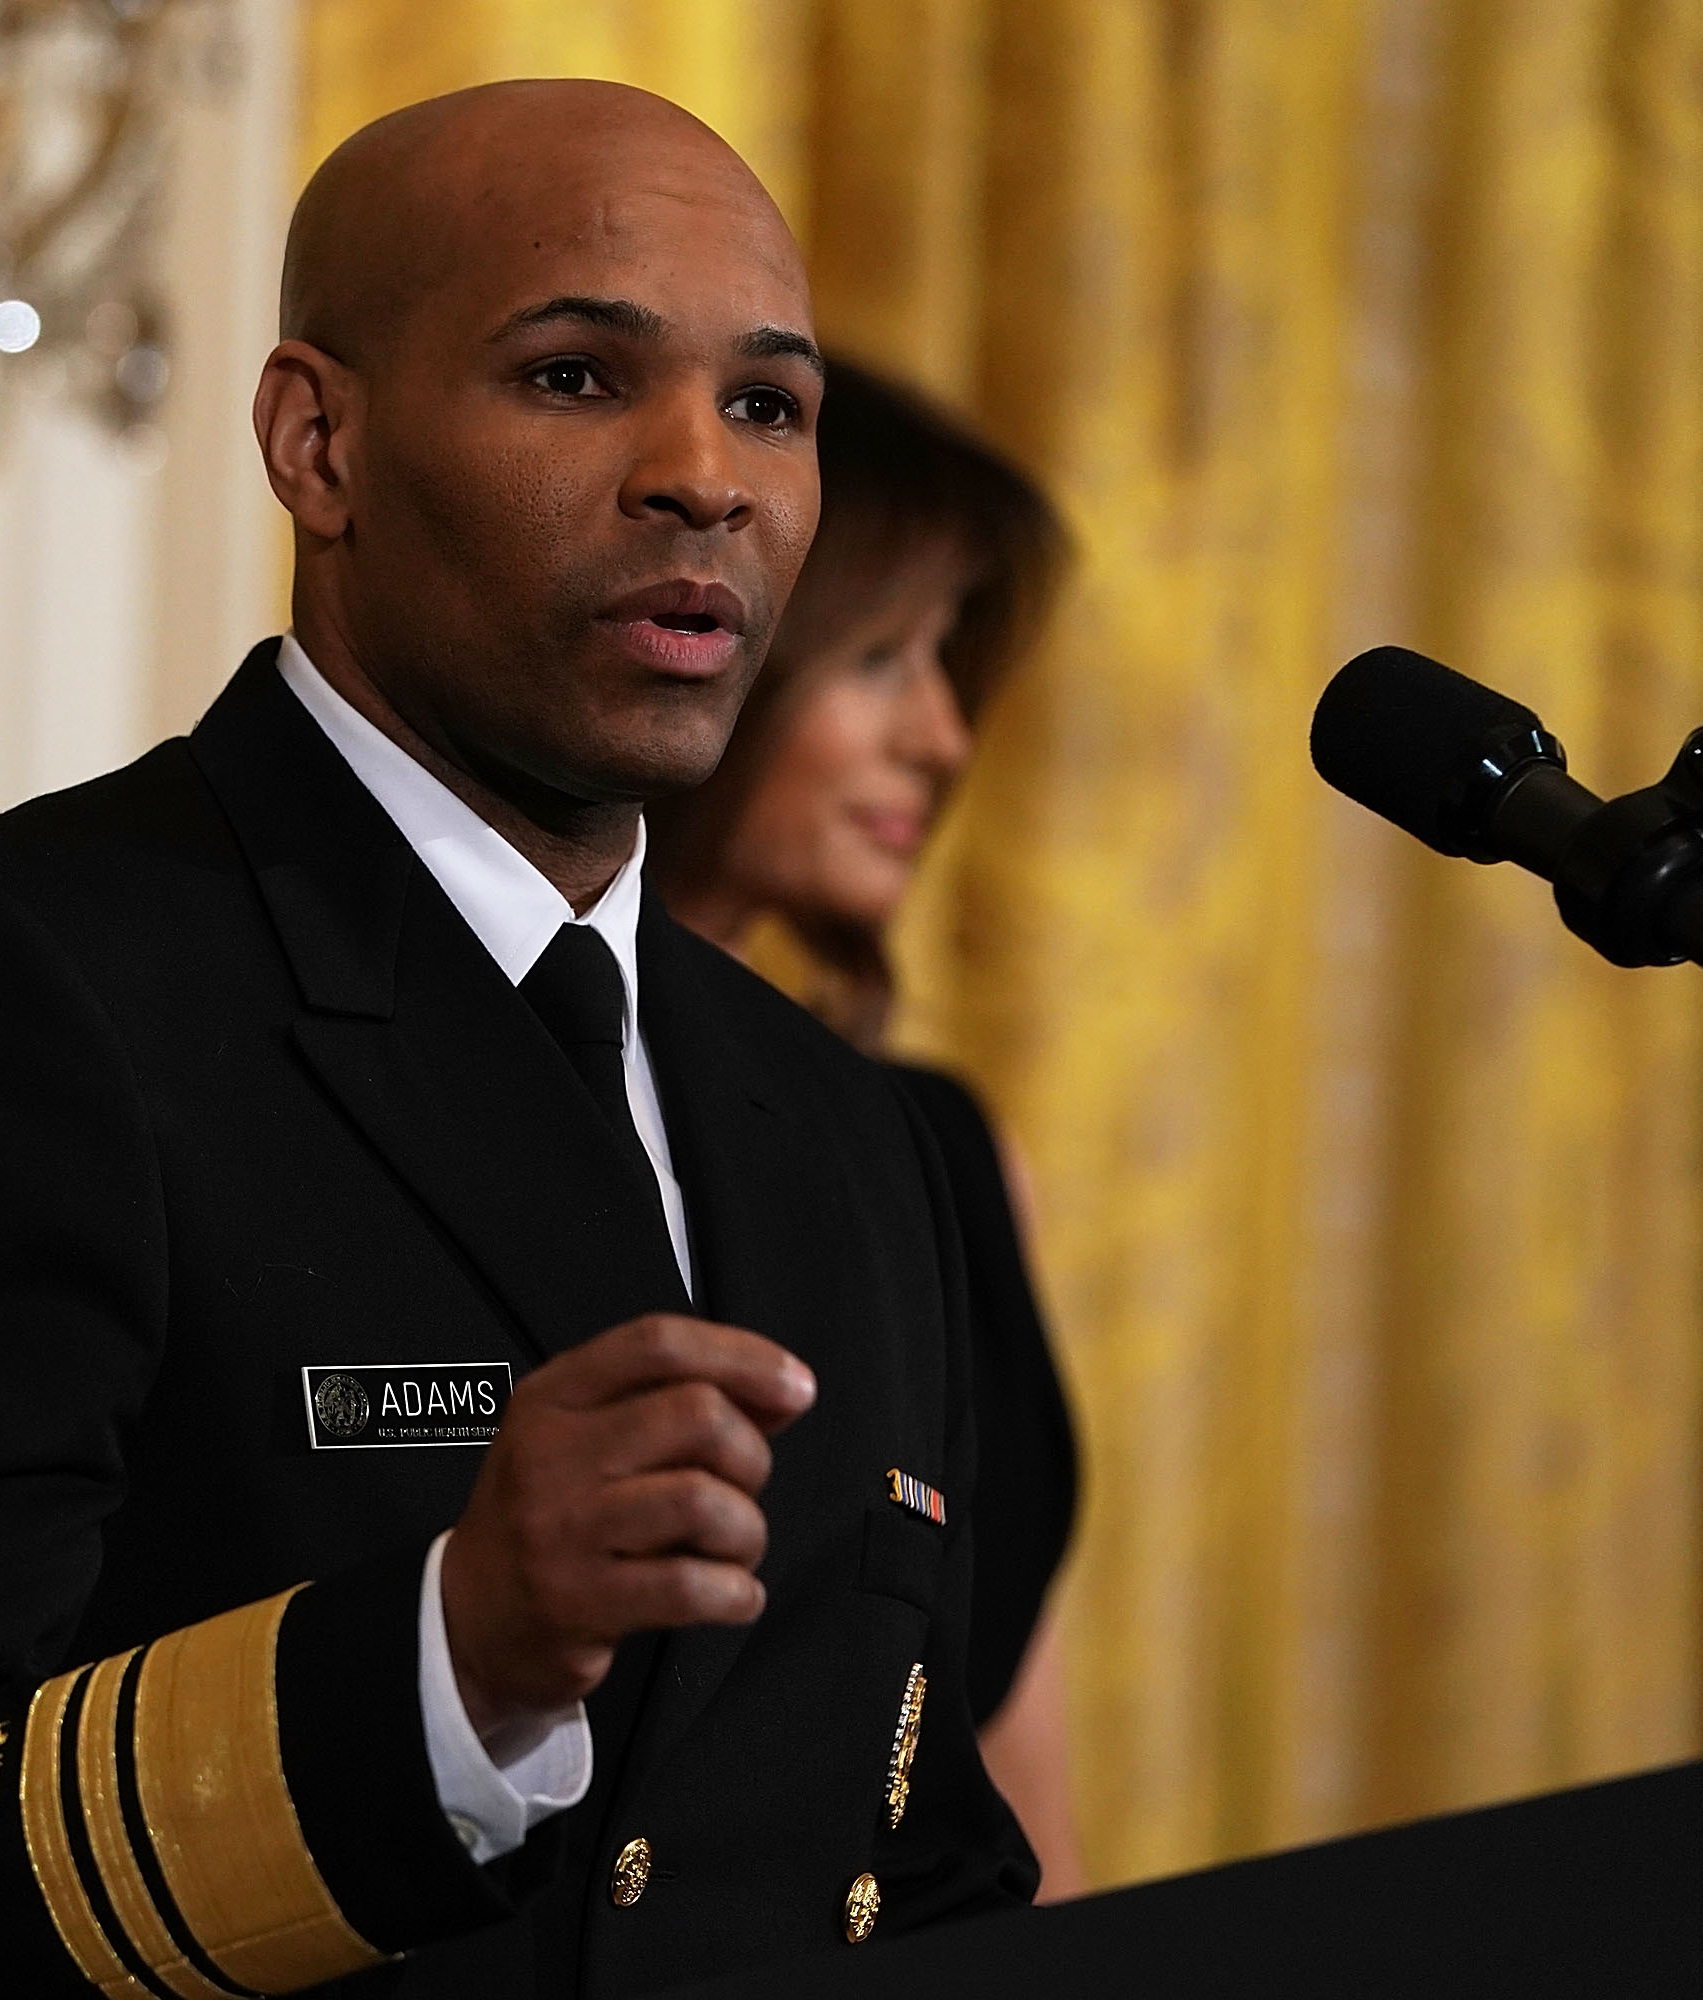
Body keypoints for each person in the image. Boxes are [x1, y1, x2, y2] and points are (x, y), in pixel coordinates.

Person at [0, 80, 1036, 1999]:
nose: (703, 477)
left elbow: (907, 1858)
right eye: (575, 378)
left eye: (768, 406)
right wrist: (443, 1665)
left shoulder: (841, 1128)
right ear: (321, 443)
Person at [647, 354, 1086, 1896]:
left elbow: (1005, 1768)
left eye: (952, 662)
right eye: (885, 656)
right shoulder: (480, 1089)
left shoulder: (947, 1158)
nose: (946, 738)